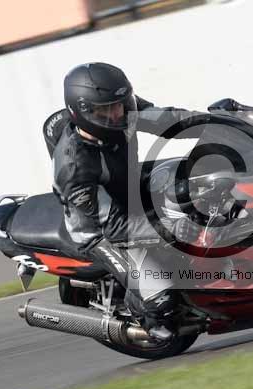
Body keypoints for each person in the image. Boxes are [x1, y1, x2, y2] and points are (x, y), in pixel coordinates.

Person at [42, 62, 204, 340]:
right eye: (107, 110)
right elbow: (114, 227)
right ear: (84, 113)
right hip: (101, 231)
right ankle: (143, 312)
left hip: (127, 186)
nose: (118, 114)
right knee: (163, 299)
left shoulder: (122, 111)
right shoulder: (75, 166)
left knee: (196, 185)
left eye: (120, 104)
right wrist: (169, 228)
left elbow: (167, 120)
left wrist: (221, 122)